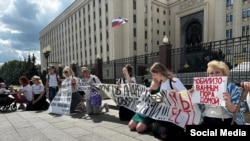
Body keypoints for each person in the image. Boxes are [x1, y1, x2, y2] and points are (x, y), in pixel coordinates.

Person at [190, 60, 246, 125]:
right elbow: (197, 108)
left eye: (217, 72)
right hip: (207, 120)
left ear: (224, 74)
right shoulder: (203, 87)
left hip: (227, 121)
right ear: (208, 76)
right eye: (211, 73)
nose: (214, 75)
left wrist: (228, 102)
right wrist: (192, 96)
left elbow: (237, 110)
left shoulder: (232, 88)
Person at [148, 62, 187, 140]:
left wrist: (176, 93)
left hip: (175, 114)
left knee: (164, 134)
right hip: (166, 113)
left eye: (154, 74)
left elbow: (186, 94)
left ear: (159, 72)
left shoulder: (173, 81)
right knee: (155, 132)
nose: (153, 77)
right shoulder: (162, 83)